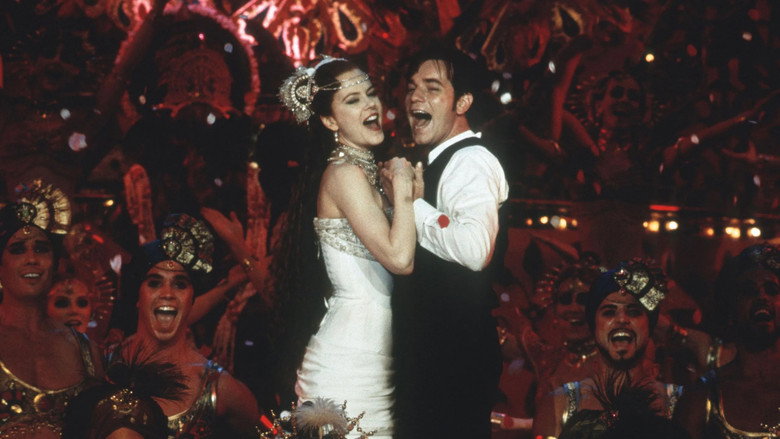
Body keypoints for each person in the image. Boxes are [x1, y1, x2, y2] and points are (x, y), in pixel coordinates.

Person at [276, 55, 418, 438]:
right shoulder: (344, 174)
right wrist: (405, 192)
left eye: (370, 94)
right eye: (352, 100)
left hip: (371, 356)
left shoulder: (364, 173)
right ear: (329, 121)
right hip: (348, 362)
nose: (370, 105)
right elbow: (401, 259)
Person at [381, 45, 509, 438]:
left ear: (462, 102)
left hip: (453, 363)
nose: (415, 97)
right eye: (412, 87)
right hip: (432, 358)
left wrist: (410, 204)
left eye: (432, 88)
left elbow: (474, 250)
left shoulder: (472, 160)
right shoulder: (436, 159)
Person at [116, 213, 259, 438]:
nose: (167, 293)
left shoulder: (217, 386)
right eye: (155, 283)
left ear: (192, 299)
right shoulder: (105, 367)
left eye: (180, 284)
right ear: (137, 296)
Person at [533, 259, 683, 438]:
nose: (621, 320)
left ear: (650, 324)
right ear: (594, 324)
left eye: (633, 312)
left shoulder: (681, 403)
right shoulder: (557, 405)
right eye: (609, 312)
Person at [0, 180, 103, 438]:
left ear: (55, 263)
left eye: (41, 249)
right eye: (17, 250)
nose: (31, 259)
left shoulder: (85, 351)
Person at [674, 243, 780, 439]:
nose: (762, 296)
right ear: (730, 309)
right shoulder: (702, 397)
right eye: (748, 291)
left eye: (772, 289)